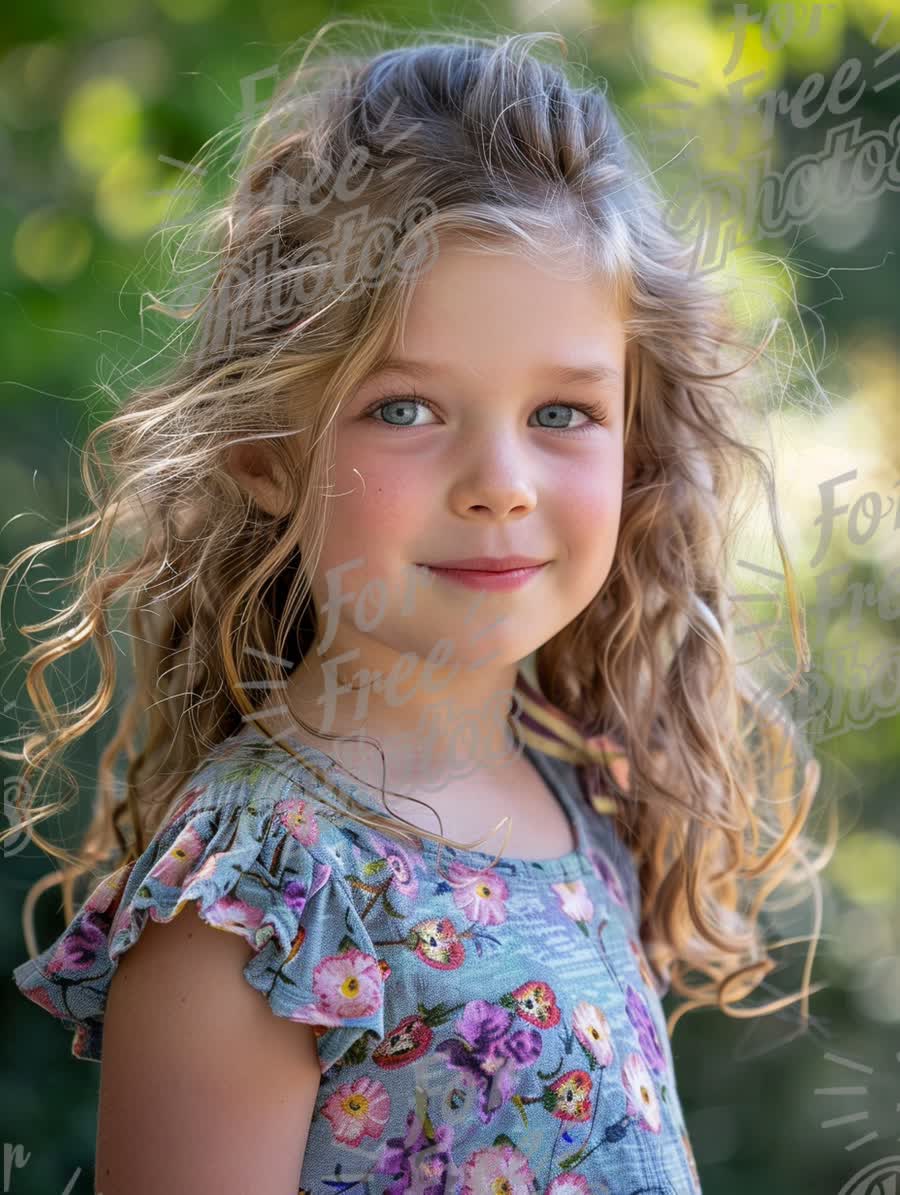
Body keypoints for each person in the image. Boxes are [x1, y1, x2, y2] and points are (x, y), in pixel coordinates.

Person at [6, 28, 830, 1195]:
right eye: (405, 408)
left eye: (562, 412)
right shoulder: (259, 897)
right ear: (262, 448)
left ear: (638, 440)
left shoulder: (573, 806)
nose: (501, 480)